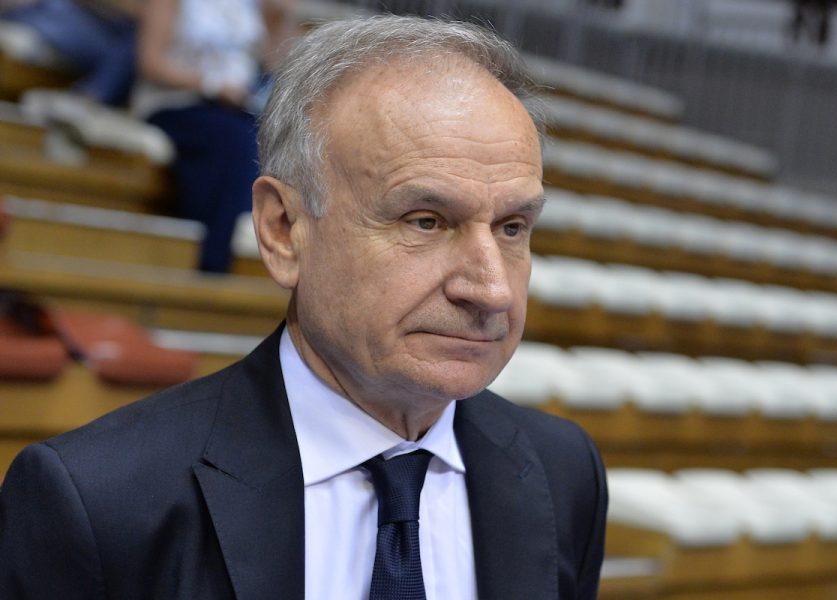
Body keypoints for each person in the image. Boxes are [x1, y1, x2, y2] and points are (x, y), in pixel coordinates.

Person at [0, 15, 608, 599]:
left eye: (512, 227)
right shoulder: (97, 501)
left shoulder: (564, 472)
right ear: (284, 230)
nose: (493, 290)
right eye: (425, 221)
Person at [134, 0, 294, 272]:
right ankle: (216, 260)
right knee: (237, 144)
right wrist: (211, 85)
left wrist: (282, 18)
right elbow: (150, 62)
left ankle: (254, 253)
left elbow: (271, 66)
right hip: (177, 104)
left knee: (274, 140)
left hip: (234, 110)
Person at [0, 0, 139, 106]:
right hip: (42, 8)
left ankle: (89, 97)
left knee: (130, 42)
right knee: (128, 46)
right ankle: (90, 97)